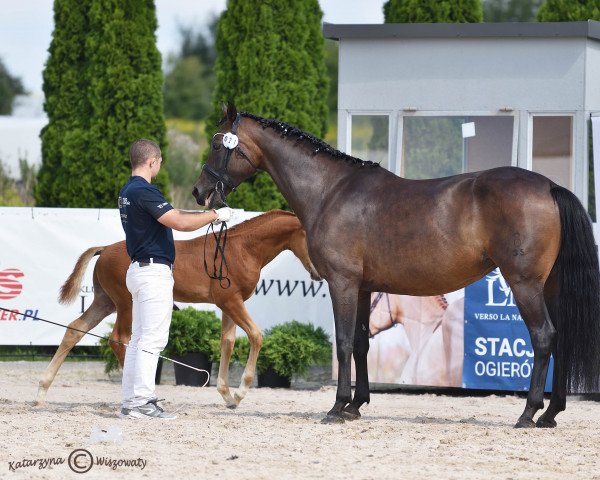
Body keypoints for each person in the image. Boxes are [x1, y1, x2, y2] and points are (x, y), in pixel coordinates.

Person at [118, 138, 233, 420]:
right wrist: (215, 215)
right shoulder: (145, 191)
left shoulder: (127, 191)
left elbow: (175, 216)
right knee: (152, 340)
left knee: (138, 340)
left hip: (140, 269)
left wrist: (206, 214)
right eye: (159, 162)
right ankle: (142, 401)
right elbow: (179, 222)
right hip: (153, 271)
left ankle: (131, 401)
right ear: (152, 161)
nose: (159, 165)